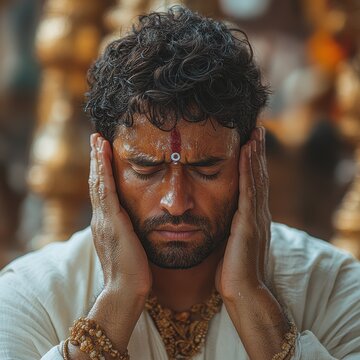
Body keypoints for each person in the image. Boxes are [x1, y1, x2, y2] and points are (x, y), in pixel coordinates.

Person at [0, 6, 360, 360]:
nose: (176, 202)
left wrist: (250, 298)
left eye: (206, 168)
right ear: (102, 162)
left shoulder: (333, 289)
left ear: (251, 157)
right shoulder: (31, 295)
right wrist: (119, 299)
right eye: (145, 168)